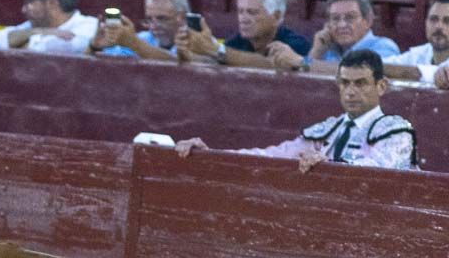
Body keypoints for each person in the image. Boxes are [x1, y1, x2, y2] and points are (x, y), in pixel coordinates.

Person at [175, 49, 417, 172]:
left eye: (361, 83)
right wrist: (213, 154)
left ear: (381, 86)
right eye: (345, 83)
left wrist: (333, 166)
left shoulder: (395, 131)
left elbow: (379, 166)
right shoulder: (327, 131)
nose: (351, 91)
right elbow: (273, 155)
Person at [174, 0, 312, 68]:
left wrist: (216, 50)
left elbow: (270, 65)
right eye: (240, 11)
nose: (243, 18)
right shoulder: (237, 42)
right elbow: (214, 62)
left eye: (252, 12)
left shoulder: (297, 44)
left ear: (276, 17)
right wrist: (188, 55)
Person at [269, 0, 399, 73]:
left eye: (350, 17)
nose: (342, 25)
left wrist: (303, 62)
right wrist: (316, 52)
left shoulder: (383, 46)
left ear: (368, 20)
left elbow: (359, 74)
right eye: (335, 19)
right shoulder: (328, 49)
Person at [88, 0, 187, 60]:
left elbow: (181, 64)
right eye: (149, 20)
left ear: (181, 17)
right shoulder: (144, 38)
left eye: (162, 19)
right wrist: (94, 47)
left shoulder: (196, 39)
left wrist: (134, 44)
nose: (153, 26)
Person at [383, 0, 449, 83]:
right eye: (433, 19)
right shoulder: (418, 54)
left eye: (447, 21)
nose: (438, 26)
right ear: (426, 23)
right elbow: (381, 65)